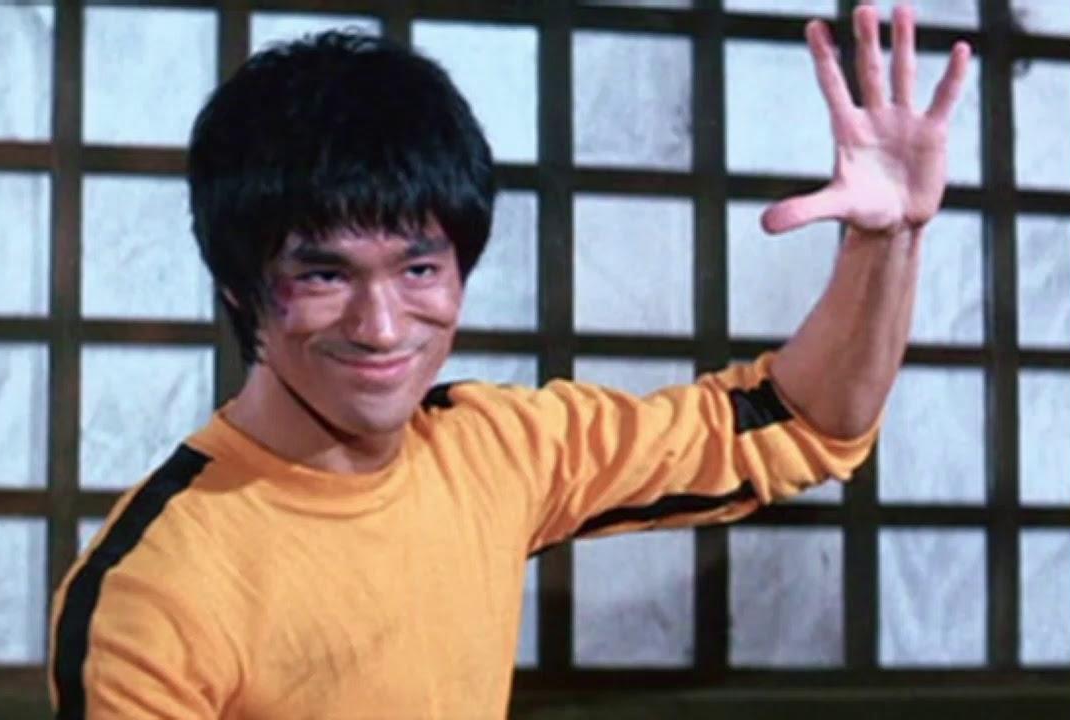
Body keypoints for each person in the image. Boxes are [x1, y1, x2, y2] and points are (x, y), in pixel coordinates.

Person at [48, 5, 970, 718]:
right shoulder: (154, 589)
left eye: (419, 269)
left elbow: (800, 424)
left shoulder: (495, 450)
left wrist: (887, 240)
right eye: (324, 274)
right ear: (239, 289)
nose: (382, 326)